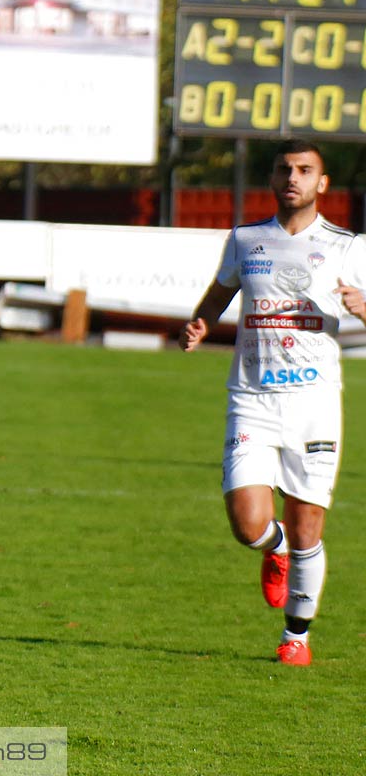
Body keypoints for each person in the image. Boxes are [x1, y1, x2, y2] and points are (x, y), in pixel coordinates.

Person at [179, 137, 359, 666]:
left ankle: (295, 638)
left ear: (322, 184)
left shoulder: (350, 247)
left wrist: (362, 304)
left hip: (314, 403)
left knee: (309, 530)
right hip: (252, 398)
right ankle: (271, 548)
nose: (293, 177)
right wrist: (201, 322)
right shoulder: (245, 239)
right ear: (272, 178)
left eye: (305, 170)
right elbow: (220, 291)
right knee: (247, 524)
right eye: (284, 168)